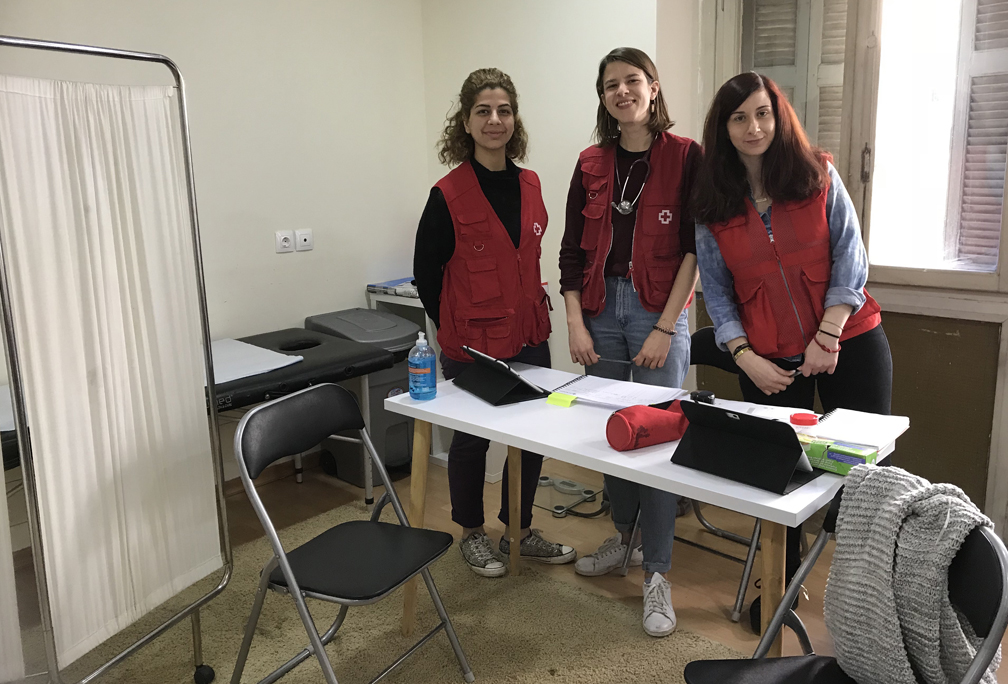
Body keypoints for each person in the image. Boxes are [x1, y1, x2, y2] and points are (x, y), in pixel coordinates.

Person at [692, 71, 893, 629]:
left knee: (867, 475)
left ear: (778, 117)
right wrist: (744, 356)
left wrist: (827, 336)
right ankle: (777, 587)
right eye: (739, 117)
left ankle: (868, 594)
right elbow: (718, 293)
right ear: (724, 129)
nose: (753, 127)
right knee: (778, 476)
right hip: (766, 357)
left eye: (762, 113)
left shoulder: (817, 173)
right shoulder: (712, 207)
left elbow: (852, 257)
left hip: (849, 340)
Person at [558, 47, 700, 637]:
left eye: (632, 81)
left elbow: (696, 249)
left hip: (656, 309)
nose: (622, 92)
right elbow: (570, 249)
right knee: (613, 432)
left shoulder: (686, 157)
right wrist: (573, 321)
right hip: (598, 309)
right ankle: (624, 540)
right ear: (603, 96)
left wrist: (666, 326)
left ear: (654, 88)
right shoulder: (592, 162)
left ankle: (658, 573)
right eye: (611, 84)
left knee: (659, 441)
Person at [413, 68, 576, 578]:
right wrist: (453, 328)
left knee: (530, 436)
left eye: (504, 110)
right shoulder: (447, 194)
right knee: (472, 439)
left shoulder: (530, 183)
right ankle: (472, 533)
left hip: (529, 335)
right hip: (472, 343)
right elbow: (426, 273)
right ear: (465, 121)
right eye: (483, 111)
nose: (495, 120)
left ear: (514, 119)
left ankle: (519, 532)